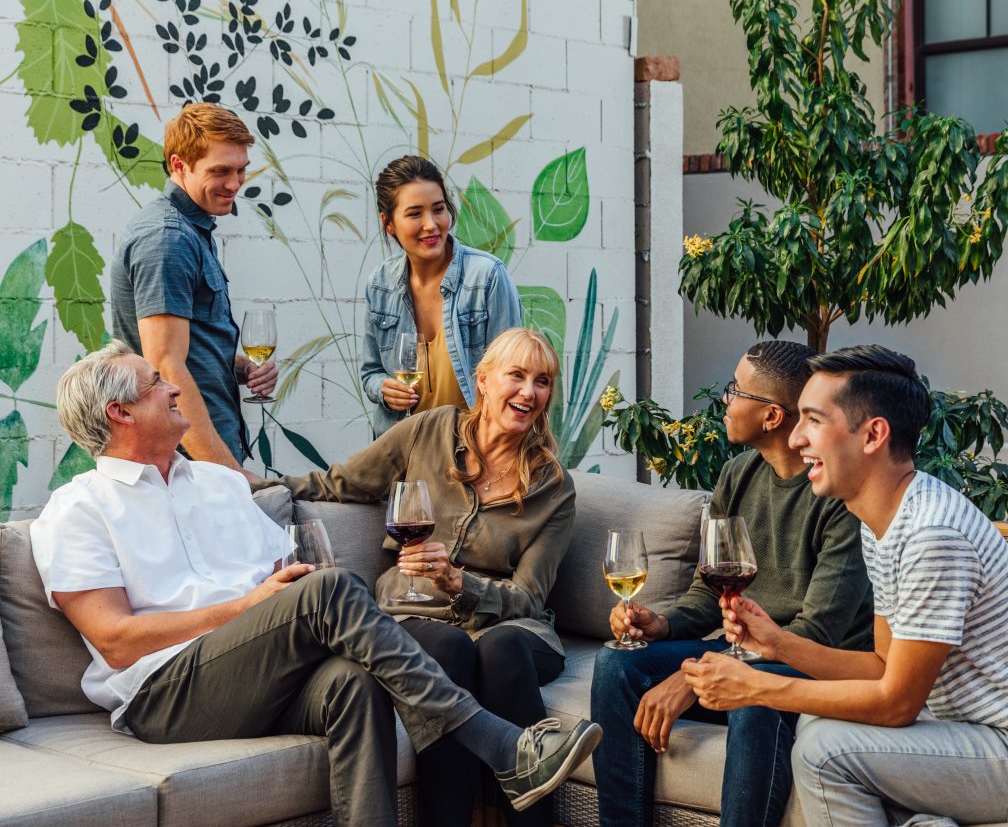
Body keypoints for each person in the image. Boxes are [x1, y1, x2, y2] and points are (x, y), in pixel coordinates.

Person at [30, 340, 602, 827]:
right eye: (157, 383)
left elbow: (293, 570)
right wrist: (247, 608)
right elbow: (115, 640)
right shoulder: (79, 508)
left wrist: (290, 596)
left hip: (254, 677)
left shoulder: (218, 485)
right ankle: (502, 744)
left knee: (354, 680)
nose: (176, 389)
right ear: (120, 413)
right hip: (165, 695)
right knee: (331, 592)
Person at [681, 345, 1008, 827]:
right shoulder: (882, 522)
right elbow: (880, 668)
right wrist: (780, 644)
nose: (796, 440)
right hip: (982, 736)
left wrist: (757, 688)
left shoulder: (932, 535)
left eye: (813, 420)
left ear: (873, 434)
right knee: (819, 725)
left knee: (825, 751)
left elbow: (896, 703)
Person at [265, 327, 574, 827]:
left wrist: (462, 583)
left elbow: (529, 597)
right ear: (483, 381)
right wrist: (253, 484)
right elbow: (338, 481)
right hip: (413, 610)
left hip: (510, 625)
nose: (529, 392)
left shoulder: (553, 487)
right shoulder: (429, 431)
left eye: (542, 382)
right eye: (515, 376)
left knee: (501, 650)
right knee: (449, 651)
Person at [590, 341, 874, 827]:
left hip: (815, 666)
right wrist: (662, 624)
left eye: (734, 390)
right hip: (743, 650)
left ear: (770, 417)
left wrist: (695, 673)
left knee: (753, 697)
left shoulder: (837, 492)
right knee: (617, 663)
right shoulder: (738, 475)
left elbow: (815, 633)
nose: (724, 401)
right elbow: (710, 591)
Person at [110, 103, 275, 481]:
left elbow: (183, 346)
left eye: (241, 169)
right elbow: (165, 363)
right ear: (178, 165)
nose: (235, 183)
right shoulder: (168, 239)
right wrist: (230, 473)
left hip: (195, 458)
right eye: (220, 171)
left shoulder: (189, 230)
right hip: (184, 462)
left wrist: (240, 367)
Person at [363, 154, 521, 436]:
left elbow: (513, 379)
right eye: (414, 214)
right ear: (388, 223)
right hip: (401, 452)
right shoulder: (380, 284)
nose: (431, 224)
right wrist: (383, 389)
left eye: (438, 209)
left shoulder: (487, 277)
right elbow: (371, 373)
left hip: (470, 452)